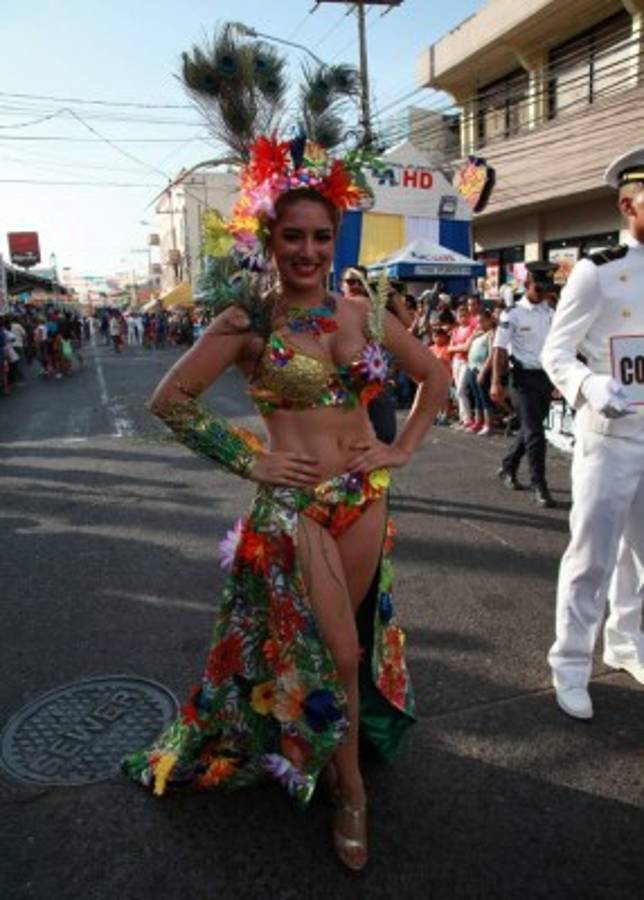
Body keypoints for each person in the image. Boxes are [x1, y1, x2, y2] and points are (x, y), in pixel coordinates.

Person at [121, 136, 449, 872]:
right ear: (269, 238)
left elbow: (434, 376)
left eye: (320, 236)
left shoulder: (361, 310)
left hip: (363, 495)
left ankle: (339, 757)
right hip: (296, 505)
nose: (307, 250)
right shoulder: (246, 323)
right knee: (340, 649)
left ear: (337, 239)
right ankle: (352, 792)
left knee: (349, 647)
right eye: (292, 235)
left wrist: (398, 451)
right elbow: (170, 401)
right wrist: (253, 458)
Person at [541, 147, 644, 720]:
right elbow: (555, 351)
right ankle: (571, 662)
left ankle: (627, 642)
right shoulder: (597, 271)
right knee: (592, 555)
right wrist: (587, 385)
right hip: (610, 435)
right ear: (626, 204)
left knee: (642, 556)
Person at [490, 261, 557, 508]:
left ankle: (508, 466)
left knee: (532, 429)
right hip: (521, 379)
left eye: (547, 289)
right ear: (527, 285)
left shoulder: (550, 313)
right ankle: (539, 485)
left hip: (544, 378)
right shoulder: (513, 314)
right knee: (536, 434)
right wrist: (496, 382)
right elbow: (499, 349)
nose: (543, 294)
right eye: (539, 289)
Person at [341, 266, 398, 445]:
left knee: (386, 433)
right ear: (342, 285)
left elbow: (407, 327)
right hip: (343, 383)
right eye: (351, 281)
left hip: (376, 380)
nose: (356, 285)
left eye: (360, 281)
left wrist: (394, 297)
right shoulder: (332, 310)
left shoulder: (377, 311)